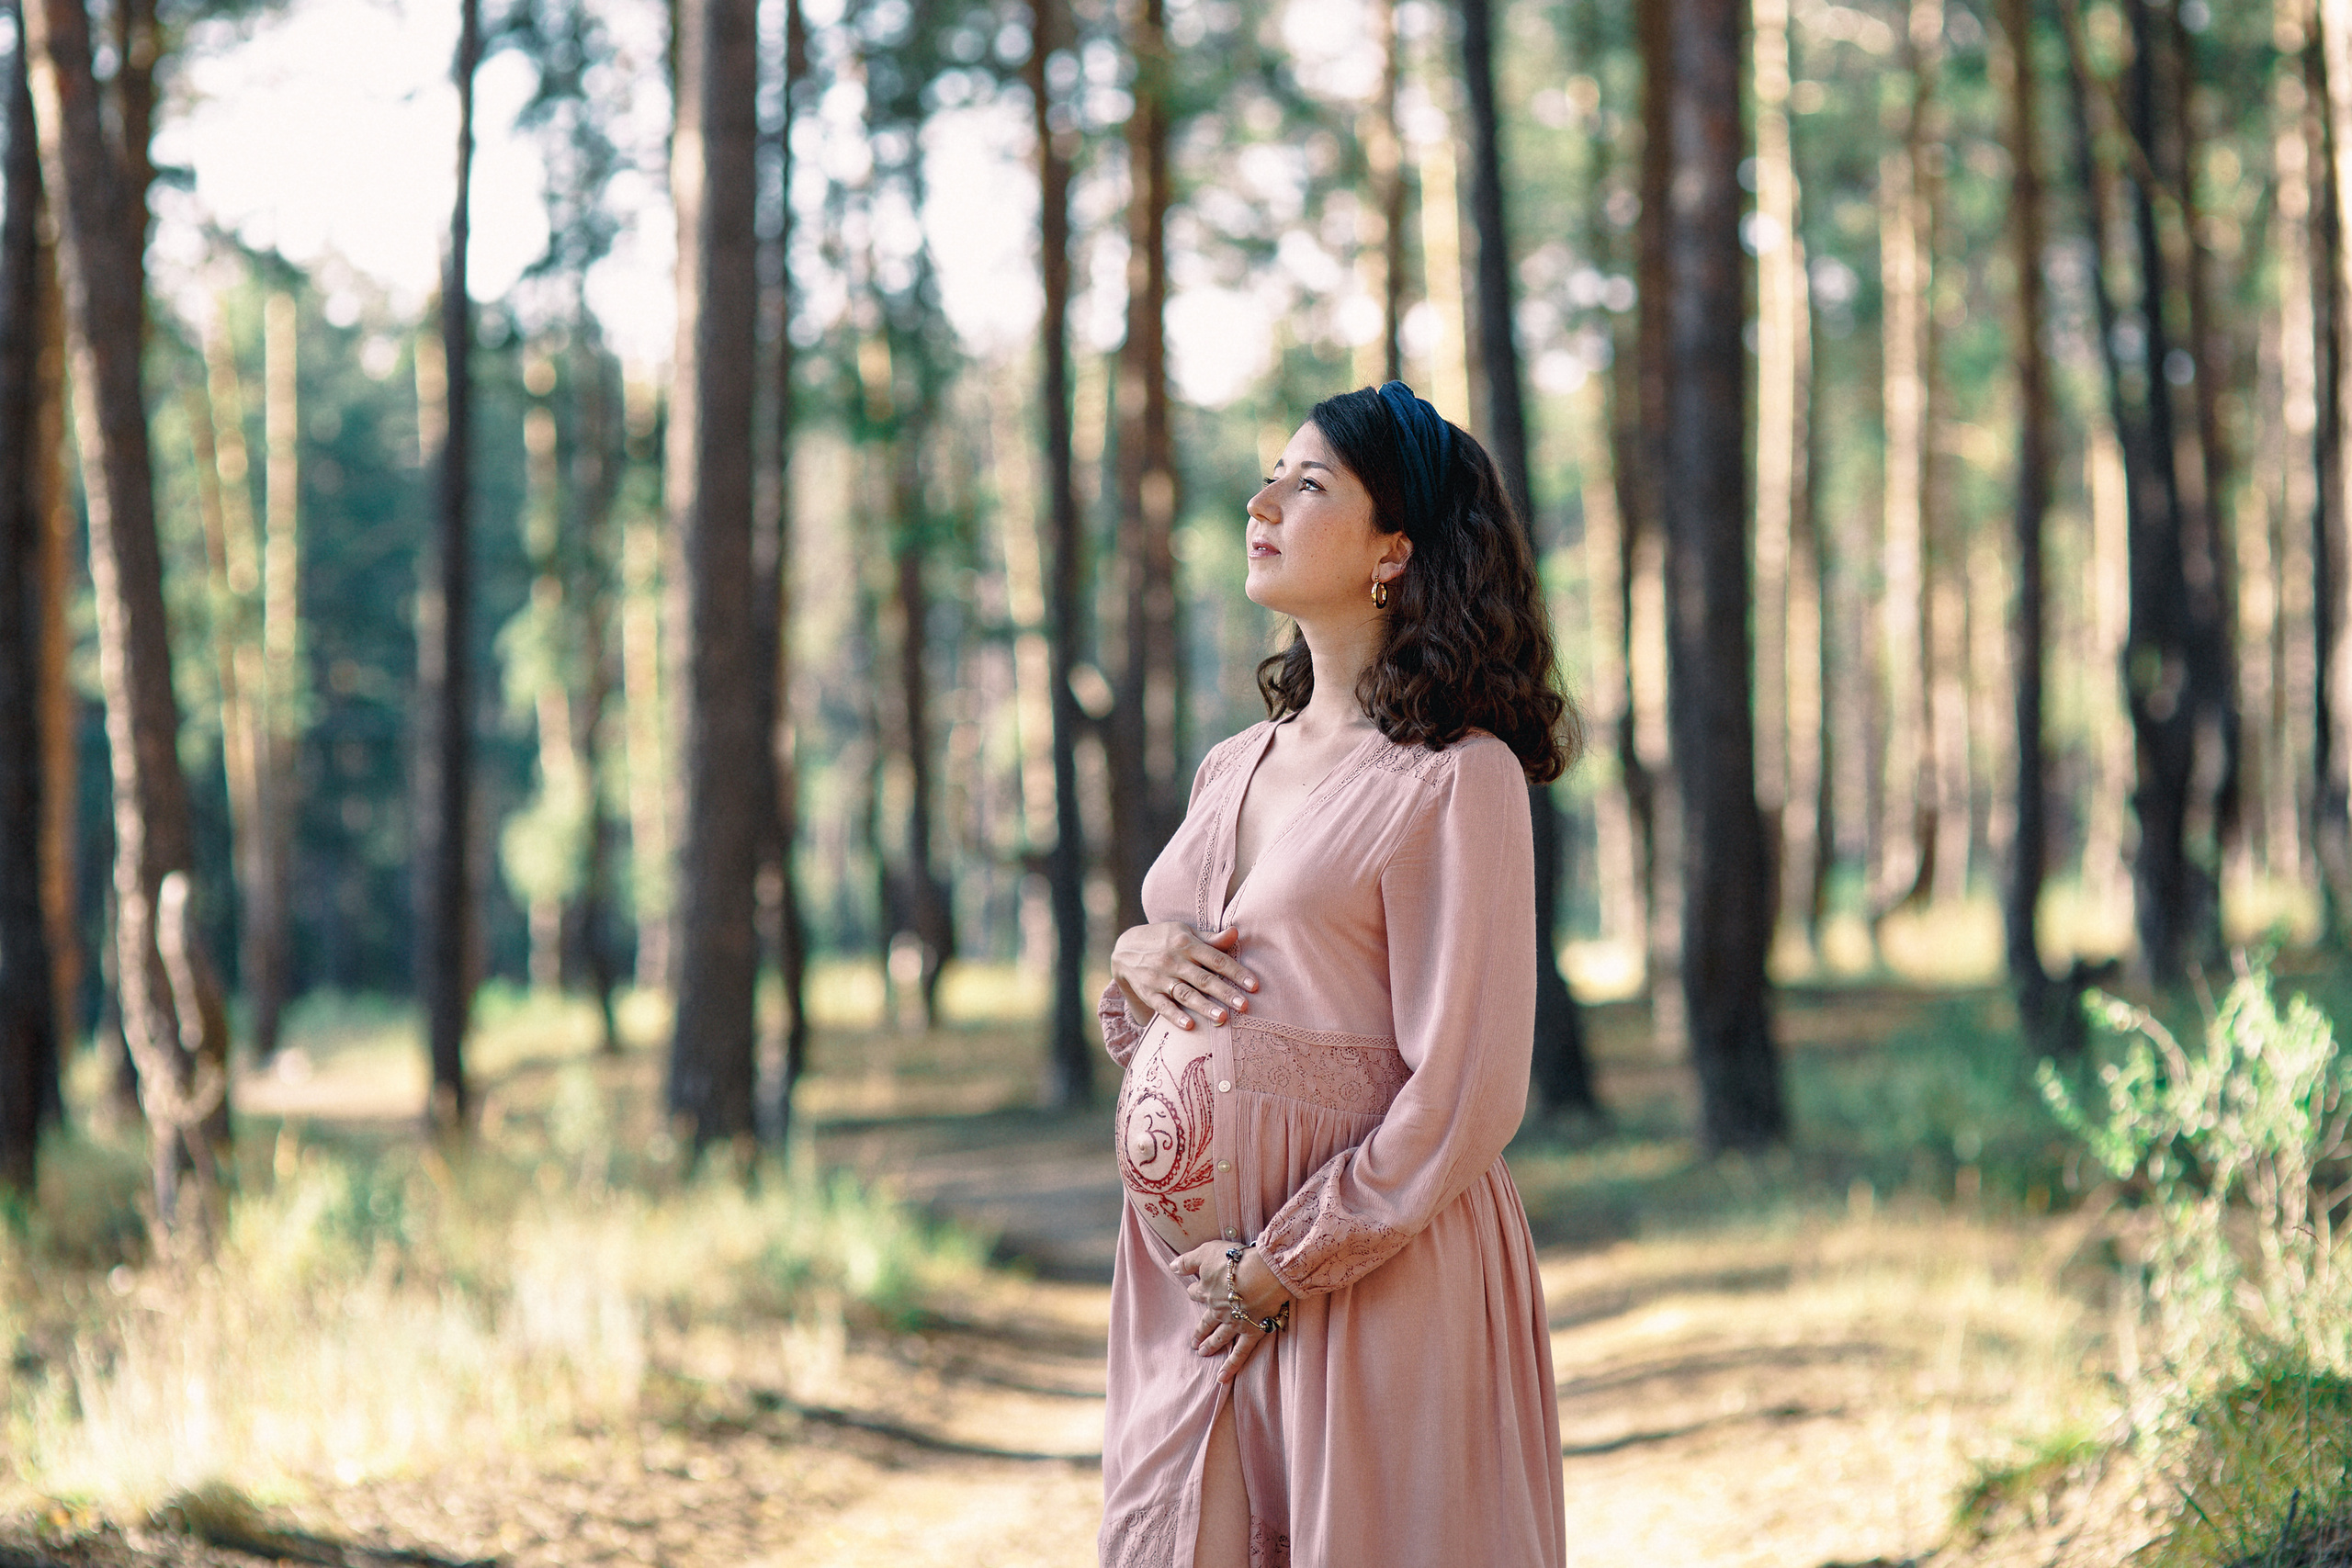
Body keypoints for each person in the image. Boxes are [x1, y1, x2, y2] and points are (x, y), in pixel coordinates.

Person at [1097, 382, 1575, 1568]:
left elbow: (1467, 1088)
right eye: (1268, 474)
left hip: (1372, 1280)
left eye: (1308, 484)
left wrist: (1290, 1261)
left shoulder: (1459, 779)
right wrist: (1136, 958)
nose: (1261, 502)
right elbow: (1195, 1015)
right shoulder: (1230, 767)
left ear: (1393, 552)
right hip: (1192, 1298)